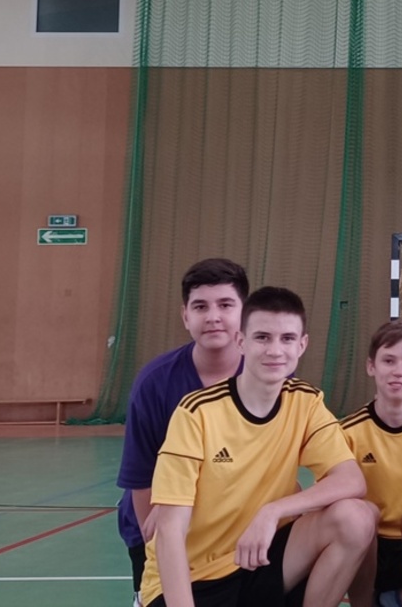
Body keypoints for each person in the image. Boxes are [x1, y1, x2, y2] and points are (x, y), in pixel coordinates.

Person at [139, 287, 377, 607]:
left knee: (357, 516)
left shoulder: (305, 402)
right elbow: (169, 530)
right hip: (194, 580)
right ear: (241, 342)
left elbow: (350, 480)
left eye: (287, 339)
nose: (275, 350)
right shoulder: (196, 412)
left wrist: (273, 511)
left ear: (302, 345)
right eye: (262, 337)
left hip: (258, 560)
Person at [117, 258, 249, 606]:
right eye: (200, 307)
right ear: (185, 316)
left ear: (245, 313)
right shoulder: (154, 383)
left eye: (225, 305)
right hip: (161, 527)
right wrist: (158, 547)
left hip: (230, 529)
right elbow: (140, 478)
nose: (213, 317)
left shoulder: (267, 377)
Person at [339, 319, 402, 607]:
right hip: (368, 548)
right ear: (371, 366)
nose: (398, 371)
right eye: (388, 360)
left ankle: (396, 599)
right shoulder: (347, 433)